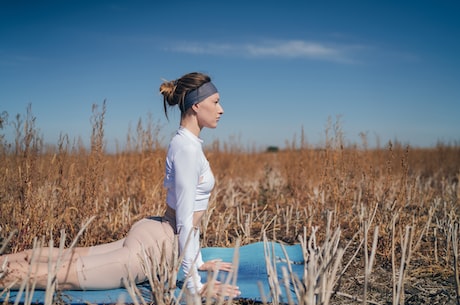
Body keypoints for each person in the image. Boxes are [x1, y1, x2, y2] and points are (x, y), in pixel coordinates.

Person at [0, 72, 241, 298]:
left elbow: (191, 213)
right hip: (157, 247)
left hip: (155, 230)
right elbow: (186, 221)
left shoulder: (187, 143)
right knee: (59, 275)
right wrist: (195, 285)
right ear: (196, 105)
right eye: (216, 102)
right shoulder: (188, 149)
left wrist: (199, 263)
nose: (221, 110)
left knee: (69, 256)